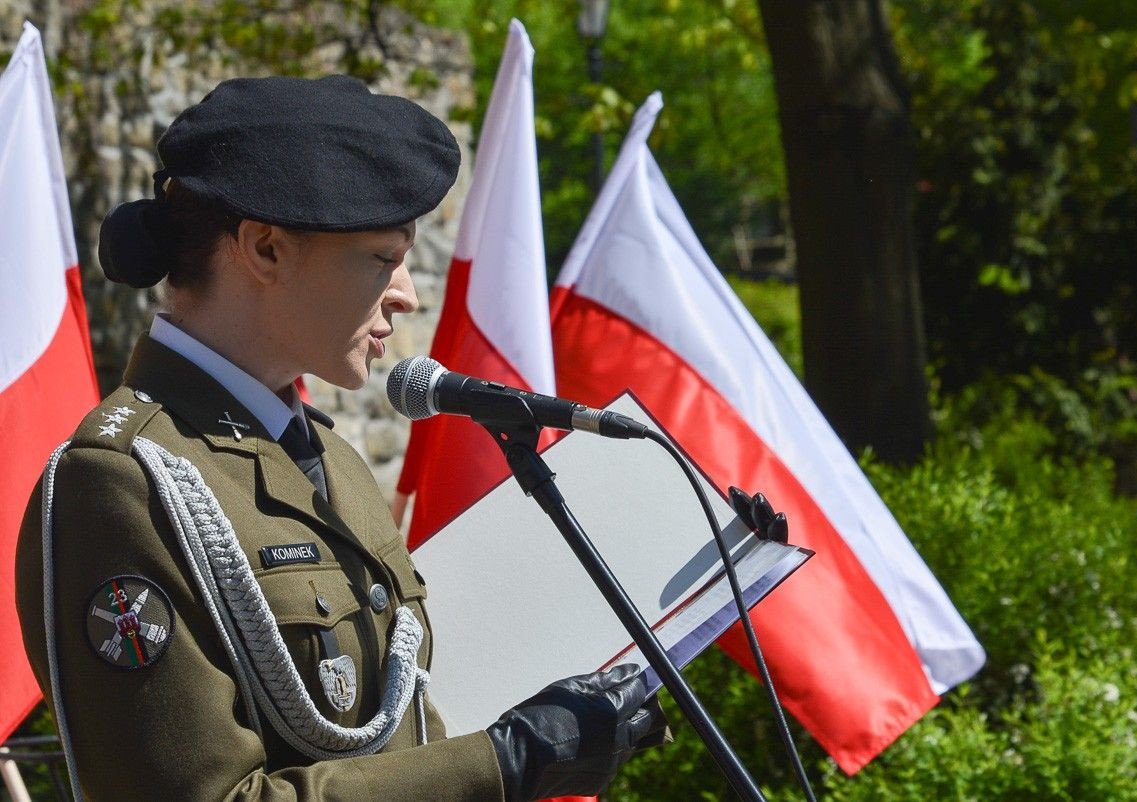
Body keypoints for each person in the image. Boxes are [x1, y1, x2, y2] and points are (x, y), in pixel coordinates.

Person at [16, 75, 666, 801]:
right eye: (383, 259)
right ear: (265, 249)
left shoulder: (329, 459)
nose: (408, 294)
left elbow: (401, 722)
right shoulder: (120, 483)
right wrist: (503, 765)